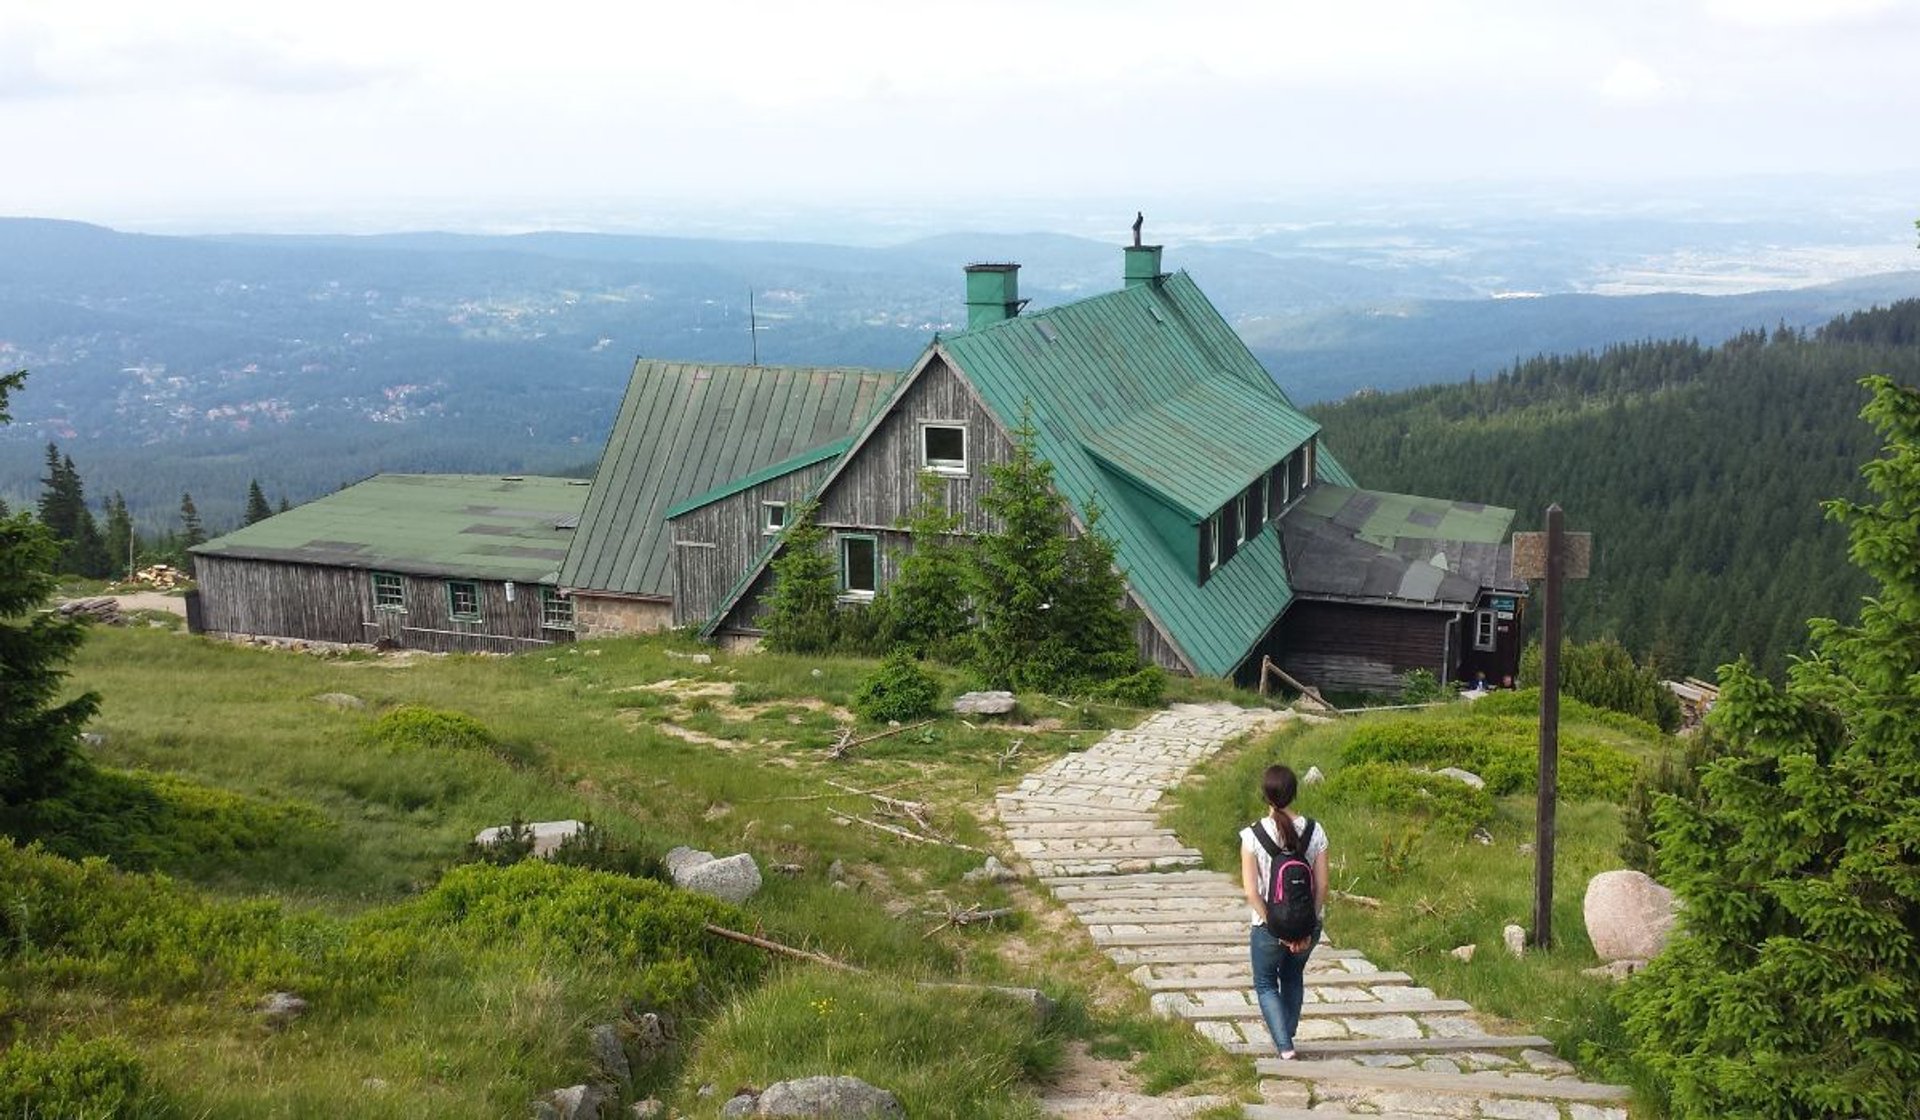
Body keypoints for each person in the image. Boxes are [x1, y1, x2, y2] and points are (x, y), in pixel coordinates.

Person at [1239, 763, 1329, 1060]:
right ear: (1295, 793)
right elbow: (1322, 886)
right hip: (1309, 924)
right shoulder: (1316, 832)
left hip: (1266, 927)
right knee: (1293, 976)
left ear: (1264, 795)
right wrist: (1306, 927)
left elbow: (1252, 892)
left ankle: (1285, 1045)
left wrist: (1278, 928)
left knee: (1265, 982)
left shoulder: (1252, 836)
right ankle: (1285, 1036)